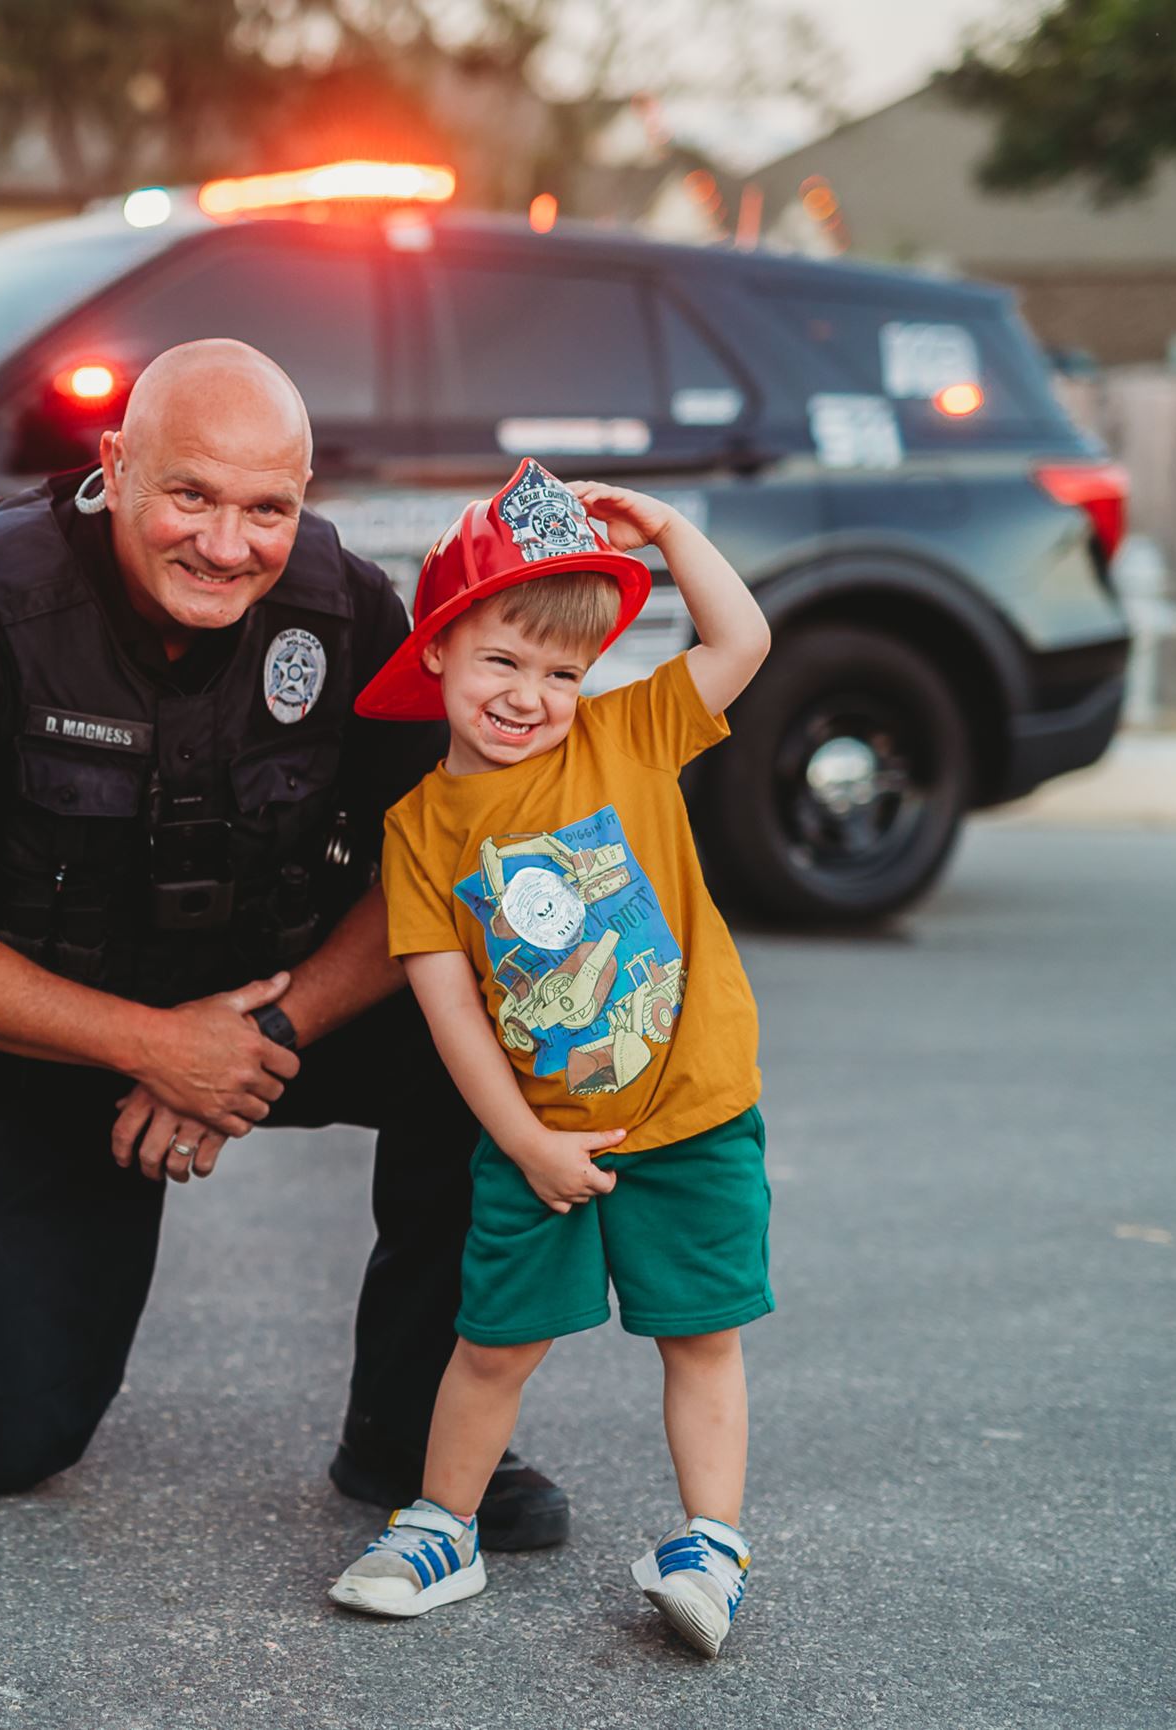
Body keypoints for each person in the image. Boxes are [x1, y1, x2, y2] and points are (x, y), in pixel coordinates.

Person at [0, 339, 570, 1547]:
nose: (227, 545)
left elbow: (440, 860)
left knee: (495, 1035)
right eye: (191, 495)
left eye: (266, 507)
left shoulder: (342, 610)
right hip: (42, 1035)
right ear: (113, 466)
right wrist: (154, 1047)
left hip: (267, 1007)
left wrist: (265, 1034)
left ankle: (409, 1434)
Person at [323, 459, 773, 1660]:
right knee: (492, 1341)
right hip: (537, 1132)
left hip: (694, 1108)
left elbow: (743, 637)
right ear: (435, 653)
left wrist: (670, 529)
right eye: (502, 662)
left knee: (702, 1333)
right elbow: (448, 1004)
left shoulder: (630, 733)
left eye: (562, 671)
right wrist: (521, 1139)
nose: (531, 695)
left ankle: (708, 1544)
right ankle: (439, 1526)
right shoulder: (420, 827)